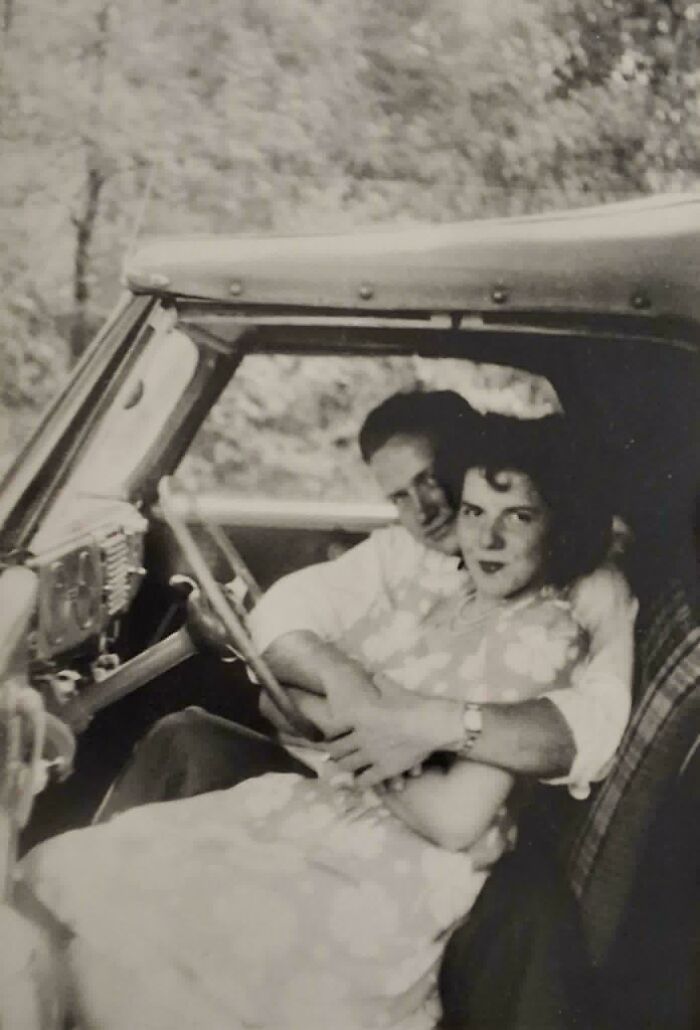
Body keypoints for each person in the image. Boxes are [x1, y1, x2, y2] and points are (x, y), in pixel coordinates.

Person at [20, 414, 633, 1030]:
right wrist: (365, 723)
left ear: (559, 530)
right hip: (316, 815)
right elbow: (276, 695)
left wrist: (334, 727)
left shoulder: (543, 633)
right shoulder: (442, 594)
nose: (487, 538)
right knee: (60, 883)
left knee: (109, 957)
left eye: (517, 517)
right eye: (475, 512)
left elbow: (454, 820)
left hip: (382, 877)